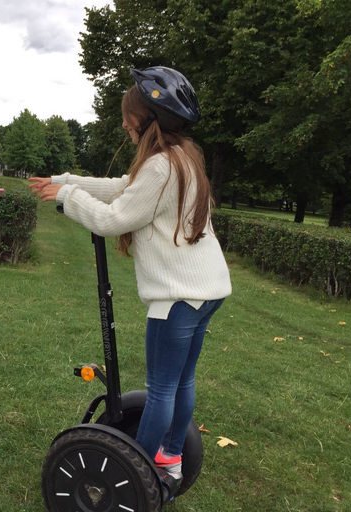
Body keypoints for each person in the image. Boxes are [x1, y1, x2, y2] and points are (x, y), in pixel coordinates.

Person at [29, 67, 231, 482]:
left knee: (160, 391)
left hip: (176, 298)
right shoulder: (183, 158)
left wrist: (67, 198)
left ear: (151, 118)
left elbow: (112, 218)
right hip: (206, 291)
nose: (124, 124)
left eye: (129, 116)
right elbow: (125, 186)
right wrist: (63, 181)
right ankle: (170, 458)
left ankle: (137, 471)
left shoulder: (160, 166)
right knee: (181, 382)